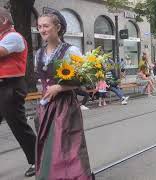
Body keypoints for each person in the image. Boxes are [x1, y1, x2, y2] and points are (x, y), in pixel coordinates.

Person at [35, 8, 91, 179]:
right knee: (48, 146)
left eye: (46, 26)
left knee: (66, 145)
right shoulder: (39, 53)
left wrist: (59, 88)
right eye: (39, 27)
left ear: (57, 27)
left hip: (65, 106)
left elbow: (85, 78)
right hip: (46, 107)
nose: (42, 30)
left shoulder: (70, 50)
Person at [0, 7, 37, 177]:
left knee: (18, 126)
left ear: (3, 20)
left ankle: (37, 159)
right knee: (18, 125)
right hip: (3, 87)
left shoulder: (13, 36)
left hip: (11, 87)